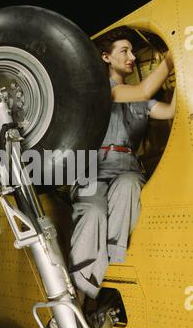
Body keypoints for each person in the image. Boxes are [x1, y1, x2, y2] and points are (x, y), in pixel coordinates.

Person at [68, 26, 176, 306]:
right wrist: (173, 56)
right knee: (92, 212)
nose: (131, 57)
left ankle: (111, 275)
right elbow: (143, 89)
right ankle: (77, 298)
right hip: (92, 167)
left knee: (129, 186)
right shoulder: (101, 90)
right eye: (124, 51)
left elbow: (170, 110)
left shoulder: (142, 102)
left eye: (132, 51)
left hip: (126, 166)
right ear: (105, 57)